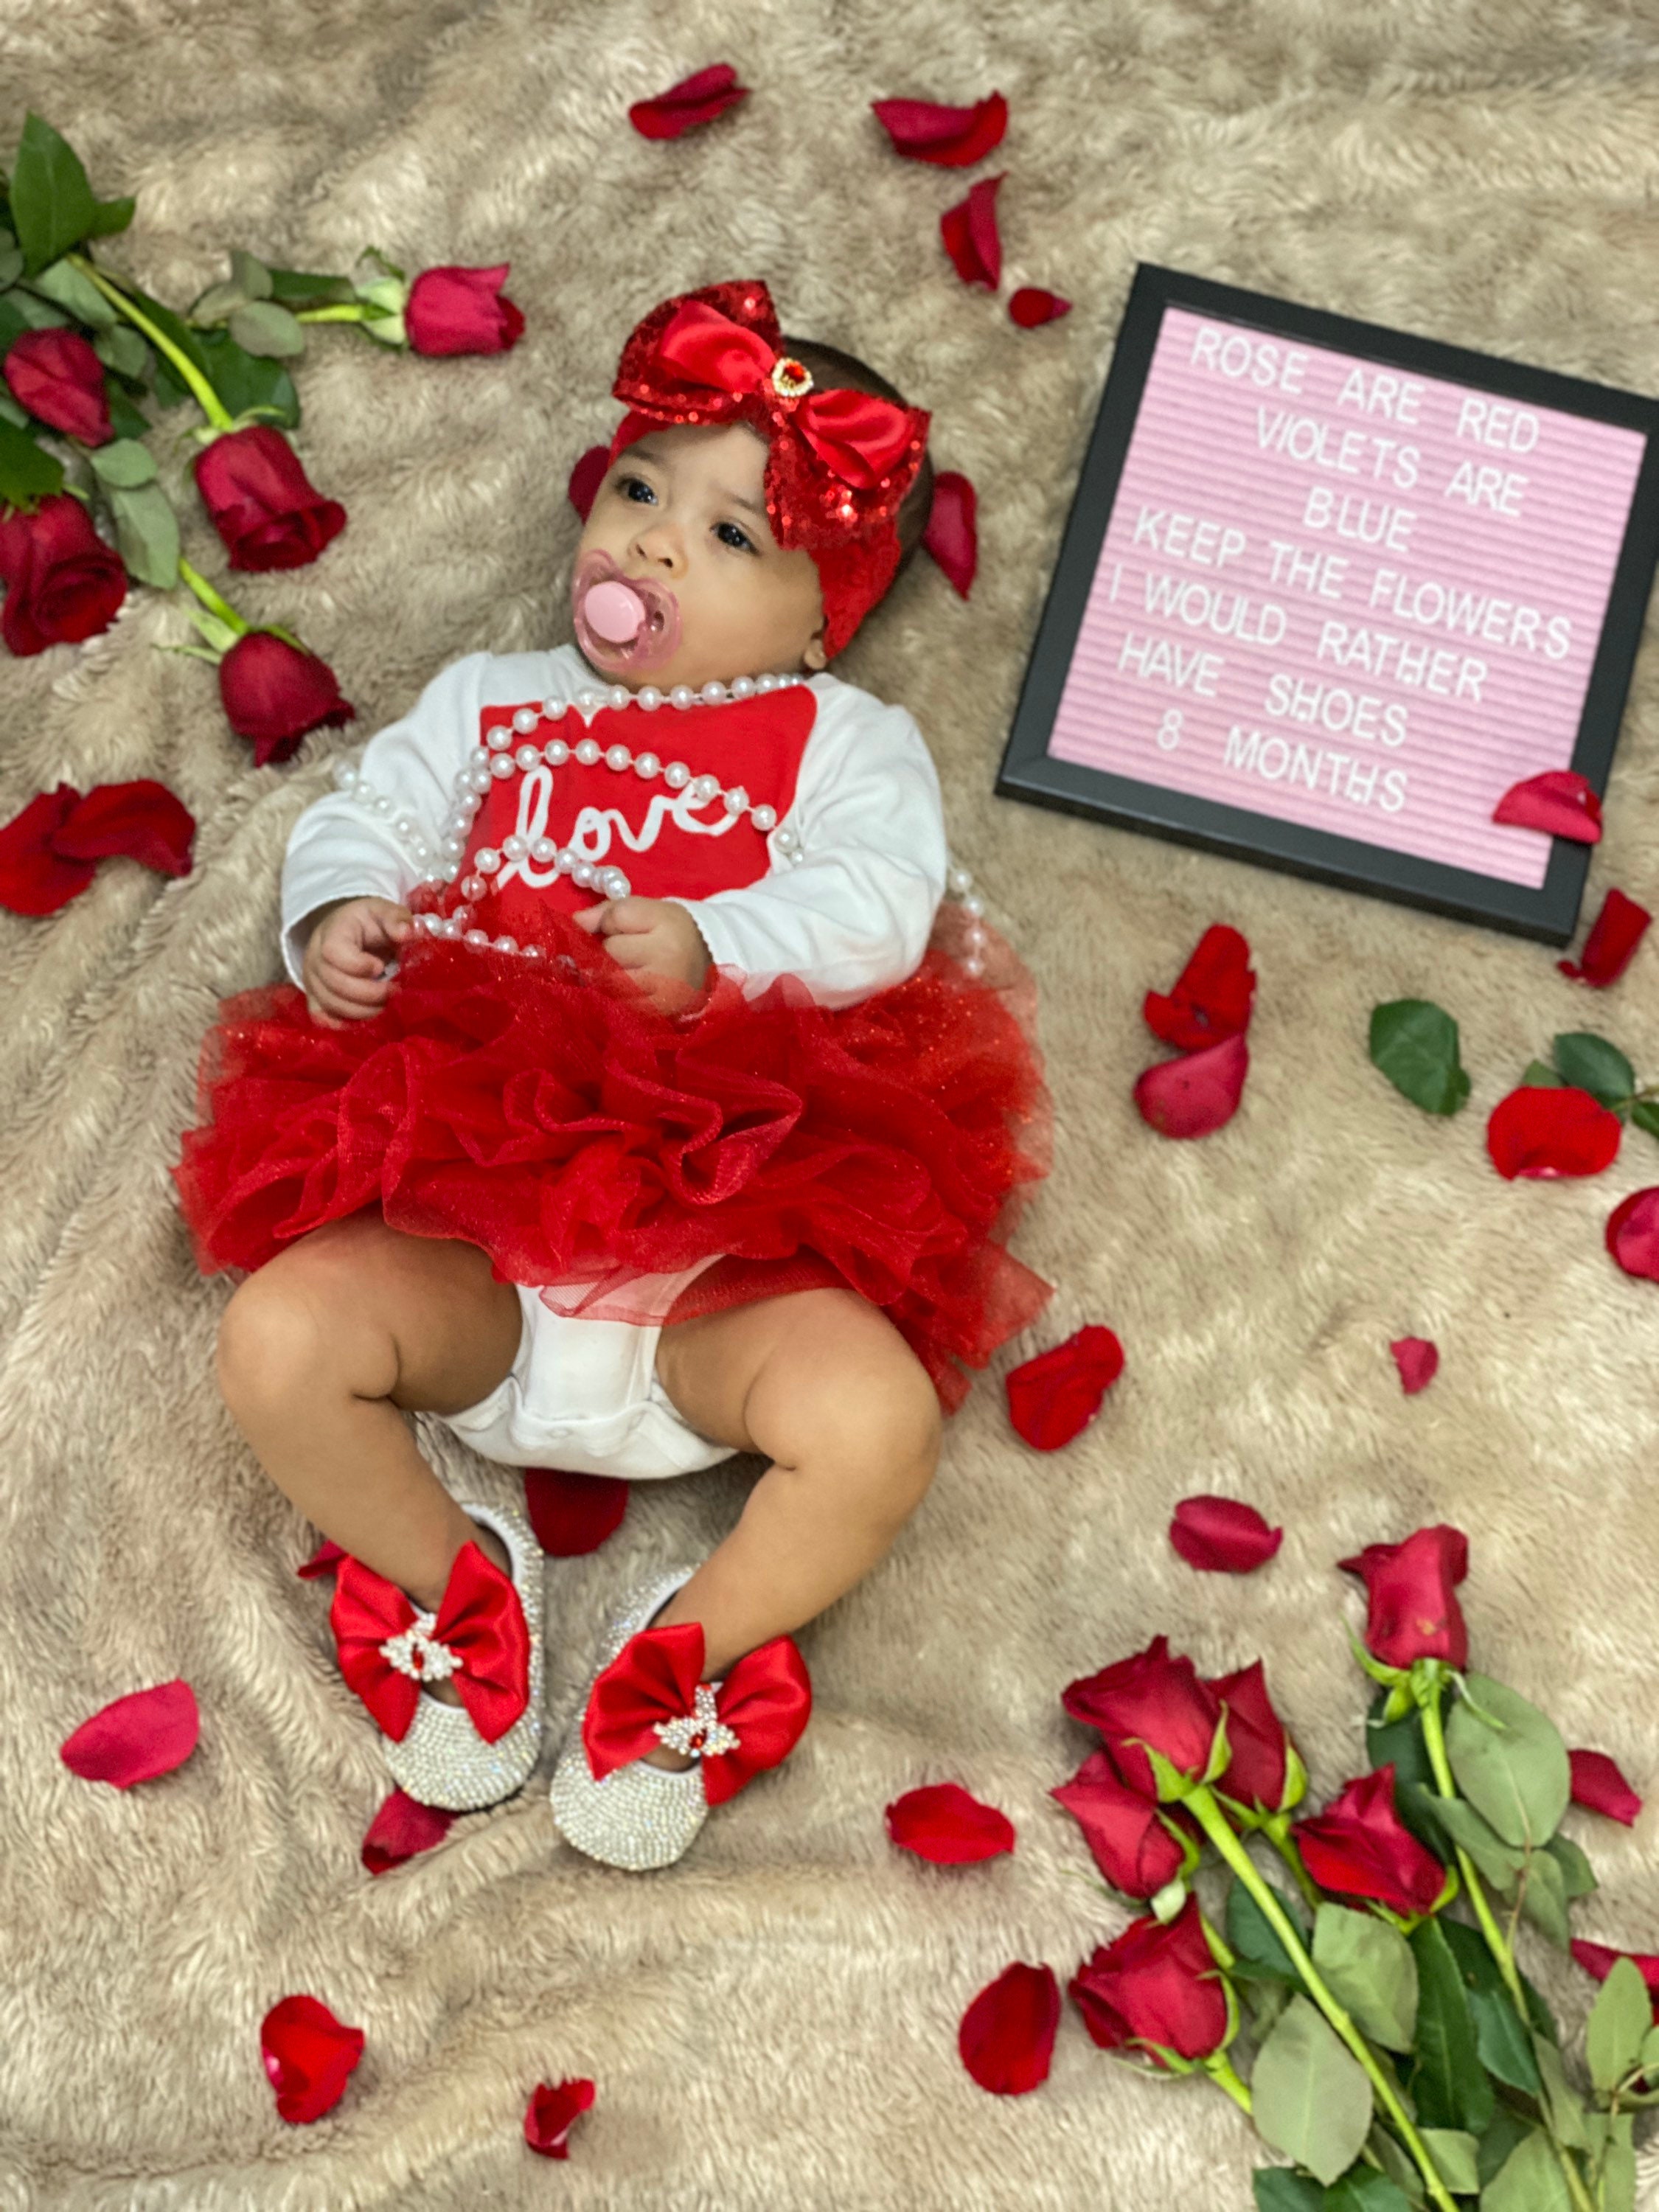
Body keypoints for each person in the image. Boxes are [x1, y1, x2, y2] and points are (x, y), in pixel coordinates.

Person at [173, 278, 1051, 1871]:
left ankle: (689, 1652)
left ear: (817, 618)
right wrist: (343, 910)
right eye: (642, 490)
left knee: (875, 1422)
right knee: (278, 1336)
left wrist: (720, 947)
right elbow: (371, 809)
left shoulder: (839, 738)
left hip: (725, 1246)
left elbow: (876, 900)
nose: (650, 542)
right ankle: (454, 1582)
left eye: (729, 536)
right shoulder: (496, 704)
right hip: (478, 1227)